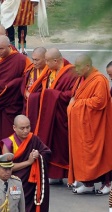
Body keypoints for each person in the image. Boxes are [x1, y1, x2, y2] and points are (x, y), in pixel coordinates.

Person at [26, 48, 78, 185]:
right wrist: (38, 96)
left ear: (56, 60)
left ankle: (62, 174)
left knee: (61, 146)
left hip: (61, 115)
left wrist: (51, 95)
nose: (46, 64)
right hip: (50, 114)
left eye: (47, 61)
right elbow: (41, 90)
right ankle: (54, 175)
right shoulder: (51, 70)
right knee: (50, 144)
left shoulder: (71, 73)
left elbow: (72, 94)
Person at [68, 54, 112, 195]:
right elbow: (75, 95)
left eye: (79, 66)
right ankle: (88, 183)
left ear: (88, 66)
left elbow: (99, 101)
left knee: (100, 154)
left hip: (97, 125)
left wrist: (77, 104)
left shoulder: (99, 80)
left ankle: (107, 183)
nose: (76, 69)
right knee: (84, 155)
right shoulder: (81, 79)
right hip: (83, 125)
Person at [1, 115, 51, 212]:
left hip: (32, 185)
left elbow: (47, 152)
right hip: (14, 185)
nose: (25, 131)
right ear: (14, 128)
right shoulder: (8, 143)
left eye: (28, 127)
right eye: (22, 128)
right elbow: (8, 168)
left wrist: (39, 155)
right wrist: (28, 162)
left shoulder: (33, 139)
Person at [0, 35, 31, 158]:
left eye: (2, 49)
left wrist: (16, 85)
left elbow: (28, 79)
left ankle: (13, 156)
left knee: (10, 131)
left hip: (12, 103)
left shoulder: (21, 60)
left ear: (9, 46)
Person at [21, 47, 49, 115]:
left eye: (37, 60)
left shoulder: (49, 72)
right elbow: (24, 85)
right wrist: (25, 93)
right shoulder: (31, 69)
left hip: (42, 106)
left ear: (45, 59)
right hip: (28, 104)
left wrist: (32, 96)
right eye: (33, 59)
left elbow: (49, 92)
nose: (34, 62)